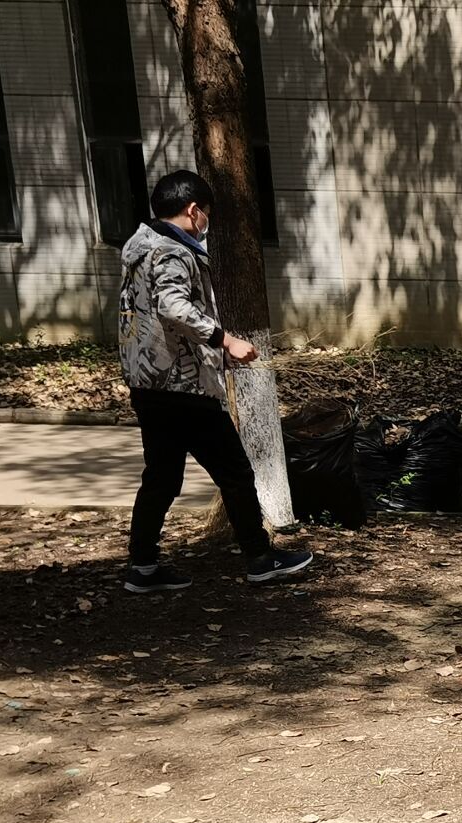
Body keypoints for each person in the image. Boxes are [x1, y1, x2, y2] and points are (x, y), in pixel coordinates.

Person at [117, 170, 311, 593]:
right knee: (236, 473)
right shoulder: (171, 252)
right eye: (205, 214)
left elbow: (155, 318)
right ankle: (261, 559)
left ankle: (143, 566)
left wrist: (211, 348)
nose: (206, 222)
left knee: (162, 477)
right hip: (183, 387)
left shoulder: (139, 249)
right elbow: (172, 307)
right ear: (193, 210)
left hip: (148, 384)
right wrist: (226, 339)